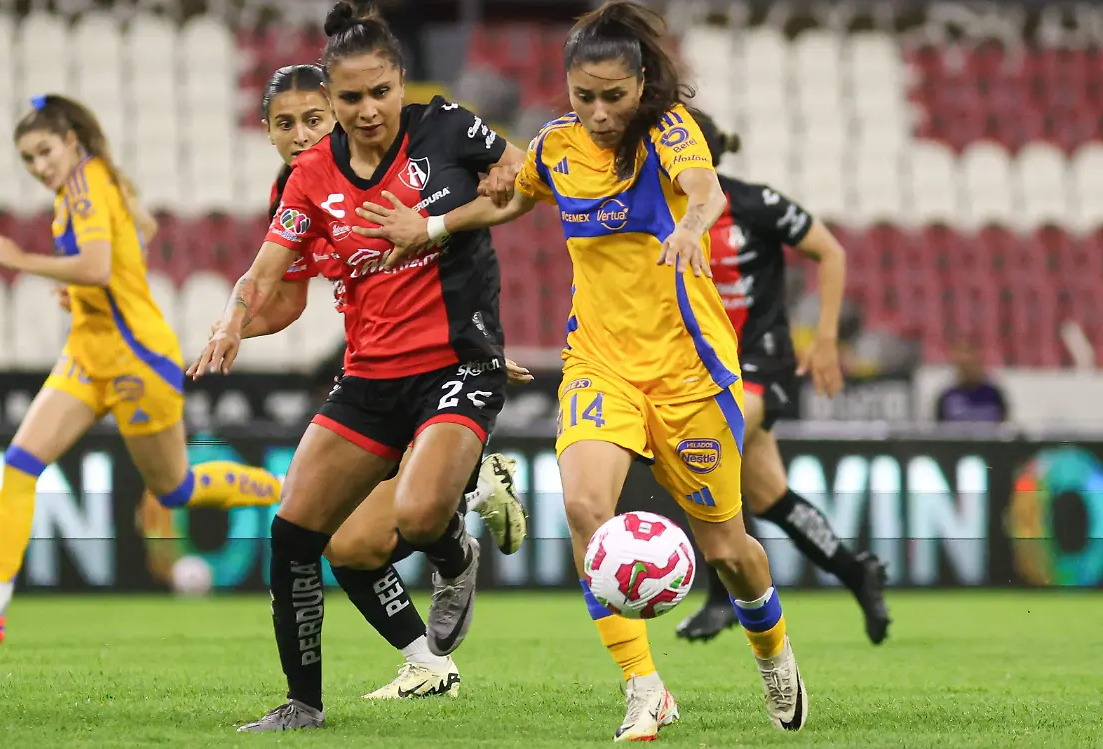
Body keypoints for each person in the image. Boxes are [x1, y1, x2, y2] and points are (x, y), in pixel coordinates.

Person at [354, 1, 809, 738]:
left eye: (613, 97)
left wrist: (692, 227)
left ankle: (774, 652)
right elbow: (507, 200)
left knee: (728, 549)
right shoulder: (557, 145)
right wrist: (430, 226)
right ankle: (644, 685)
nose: (598, 113)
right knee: (584, 509)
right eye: (583, 97)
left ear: (641, 86)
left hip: (689, 373)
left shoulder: (668, 132)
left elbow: (706, 191)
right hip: (600, 366)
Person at [190, 1, 527, 731]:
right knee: (297, 531)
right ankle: (304, 702)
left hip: (457, 363)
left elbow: (524, 182)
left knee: (413, 510)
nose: (368, 109)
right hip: (371, 376)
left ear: (400, 82)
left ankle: (453, 554)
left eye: (380, 92)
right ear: (332, 101)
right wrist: (230, 322)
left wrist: (436, 223)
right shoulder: (311, 174)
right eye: (350, 97)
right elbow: (266, 271)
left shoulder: (446, 126)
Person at [0, 95, 285, 644]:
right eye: (28, 159)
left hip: (136, 360)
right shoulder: (82, 188)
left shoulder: (88, 184)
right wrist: (80, 291)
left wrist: (24, 262)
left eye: (44, 151)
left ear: (72, 140)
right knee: (20, 463)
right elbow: (120, 253)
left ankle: (281, 488)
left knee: (175, 490)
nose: (39, 166)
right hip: (87, 354)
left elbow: (96, 265)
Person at [672, 108, 892, 646]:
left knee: (715, 438)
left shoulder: (753, 203)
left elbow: (829, 251)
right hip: (701, 366)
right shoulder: (663, 216)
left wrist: (823, 341)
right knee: (769, 496)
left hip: (758, 362)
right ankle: (855, 570)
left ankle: (723, 595)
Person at [935, 338, 1008, 423]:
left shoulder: (994, 395)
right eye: (964, 365)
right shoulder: (946, 397)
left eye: (971, 364)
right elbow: (939, 430)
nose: (968, 369)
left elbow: (1003, 427)